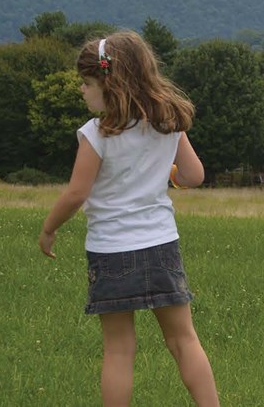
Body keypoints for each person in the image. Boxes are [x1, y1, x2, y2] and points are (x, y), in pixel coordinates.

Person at [38, 31, 219, 407]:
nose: (82, 91)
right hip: (161, 246)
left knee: (119, 351)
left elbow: (76, 193)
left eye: (87, 83)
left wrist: (49, 228)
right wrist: (164, 174)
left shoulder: (96, 133)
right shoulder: (168, 122)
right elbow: (193, 176)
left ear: (110, 84)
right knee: (184, 340)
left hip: (111, 252)